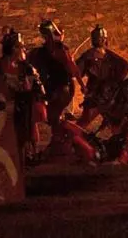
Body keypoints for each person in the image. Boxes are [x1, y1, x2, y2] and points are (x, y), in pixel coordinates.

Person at [28, 20, 86, 155]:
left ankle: (66, 143)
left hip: (62, 89)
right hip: (49, 89)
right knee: (51, 119)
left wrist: (82, 86)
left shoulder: (61, 50)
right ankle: (58, 144)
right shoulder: (40, 53)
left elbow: (73, 70)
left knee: (55, 118)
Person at [0, 29, 47, 164]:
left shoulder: (26, 67)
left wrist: (37, 94)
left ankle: (29, 154)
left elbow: (38, 88)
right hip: (2, 108)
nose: (22, 49)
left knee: (26, 134)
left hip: (23, 106)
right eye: (19, 46)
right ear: (12, 48)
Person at [76, 25, 128, 128]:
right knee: (83, 123)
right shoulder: (88, 56)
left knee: (119, 124)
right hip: (96, 95)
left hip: (110, 95)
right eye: (101, 39)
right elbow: (77, 72)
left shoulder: (109, 56)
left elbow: (125, 68)